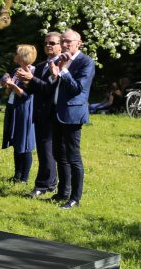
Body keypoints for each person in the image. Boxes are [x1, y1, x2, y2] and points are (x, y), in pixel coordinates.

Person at [48, 29, 95, 209]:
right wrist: (54, 75)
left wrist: (64, 71)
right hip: (57, 112)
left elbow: (77, 89)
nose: (65, 44)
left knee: (73, 156)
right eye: (62, 41)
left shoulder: (86, 62)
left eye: (68, 41)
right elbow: (57, 86)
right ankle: (62, 192)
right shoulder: (59, 60)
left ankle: (75, 198)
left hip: (73, 115)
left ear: (79, 43)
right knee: (60, 154)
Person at [16, 32, 61, 197]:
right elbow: (36, 89)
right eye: (46, 43)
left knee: (47, 150)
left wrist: (31, 79)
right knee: (43, 150)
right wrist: (26, 81)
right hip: (40, 112)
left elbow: (50, 89)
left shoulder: (61, 65)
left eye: (52, 43)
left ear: (60, 45)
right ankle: (50, 183)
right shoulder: (42, 65)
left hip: (53, 114)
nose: (48, 45)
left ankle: (42, 185)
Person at [0, 44, 37, 183]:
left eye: (17, 53)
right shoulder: (16, 70)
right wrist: (7, 84)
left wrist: (13, 85)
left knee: (24, 143)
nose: (14, 55)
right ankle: (17, 175)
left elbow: (26, 95)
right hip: (12, 107)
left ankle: (24, 177)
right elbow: (10, 92)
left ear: (23, 56)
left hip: (24, 109)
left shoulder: (33, 71)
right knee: (16, 141)